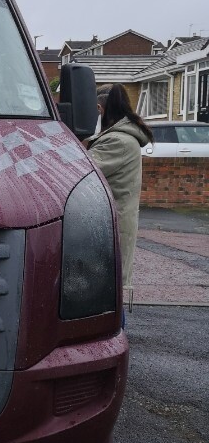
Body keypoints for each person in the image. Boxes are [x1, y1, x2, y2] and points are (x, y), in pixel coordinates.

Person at [86, 84, 153, 292]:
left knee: (107, 293)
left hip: (109, 229)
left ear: (100, 109)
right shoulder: (117, 138)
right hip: (109, 227)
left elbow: (79, 171)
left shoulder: (117, 141)